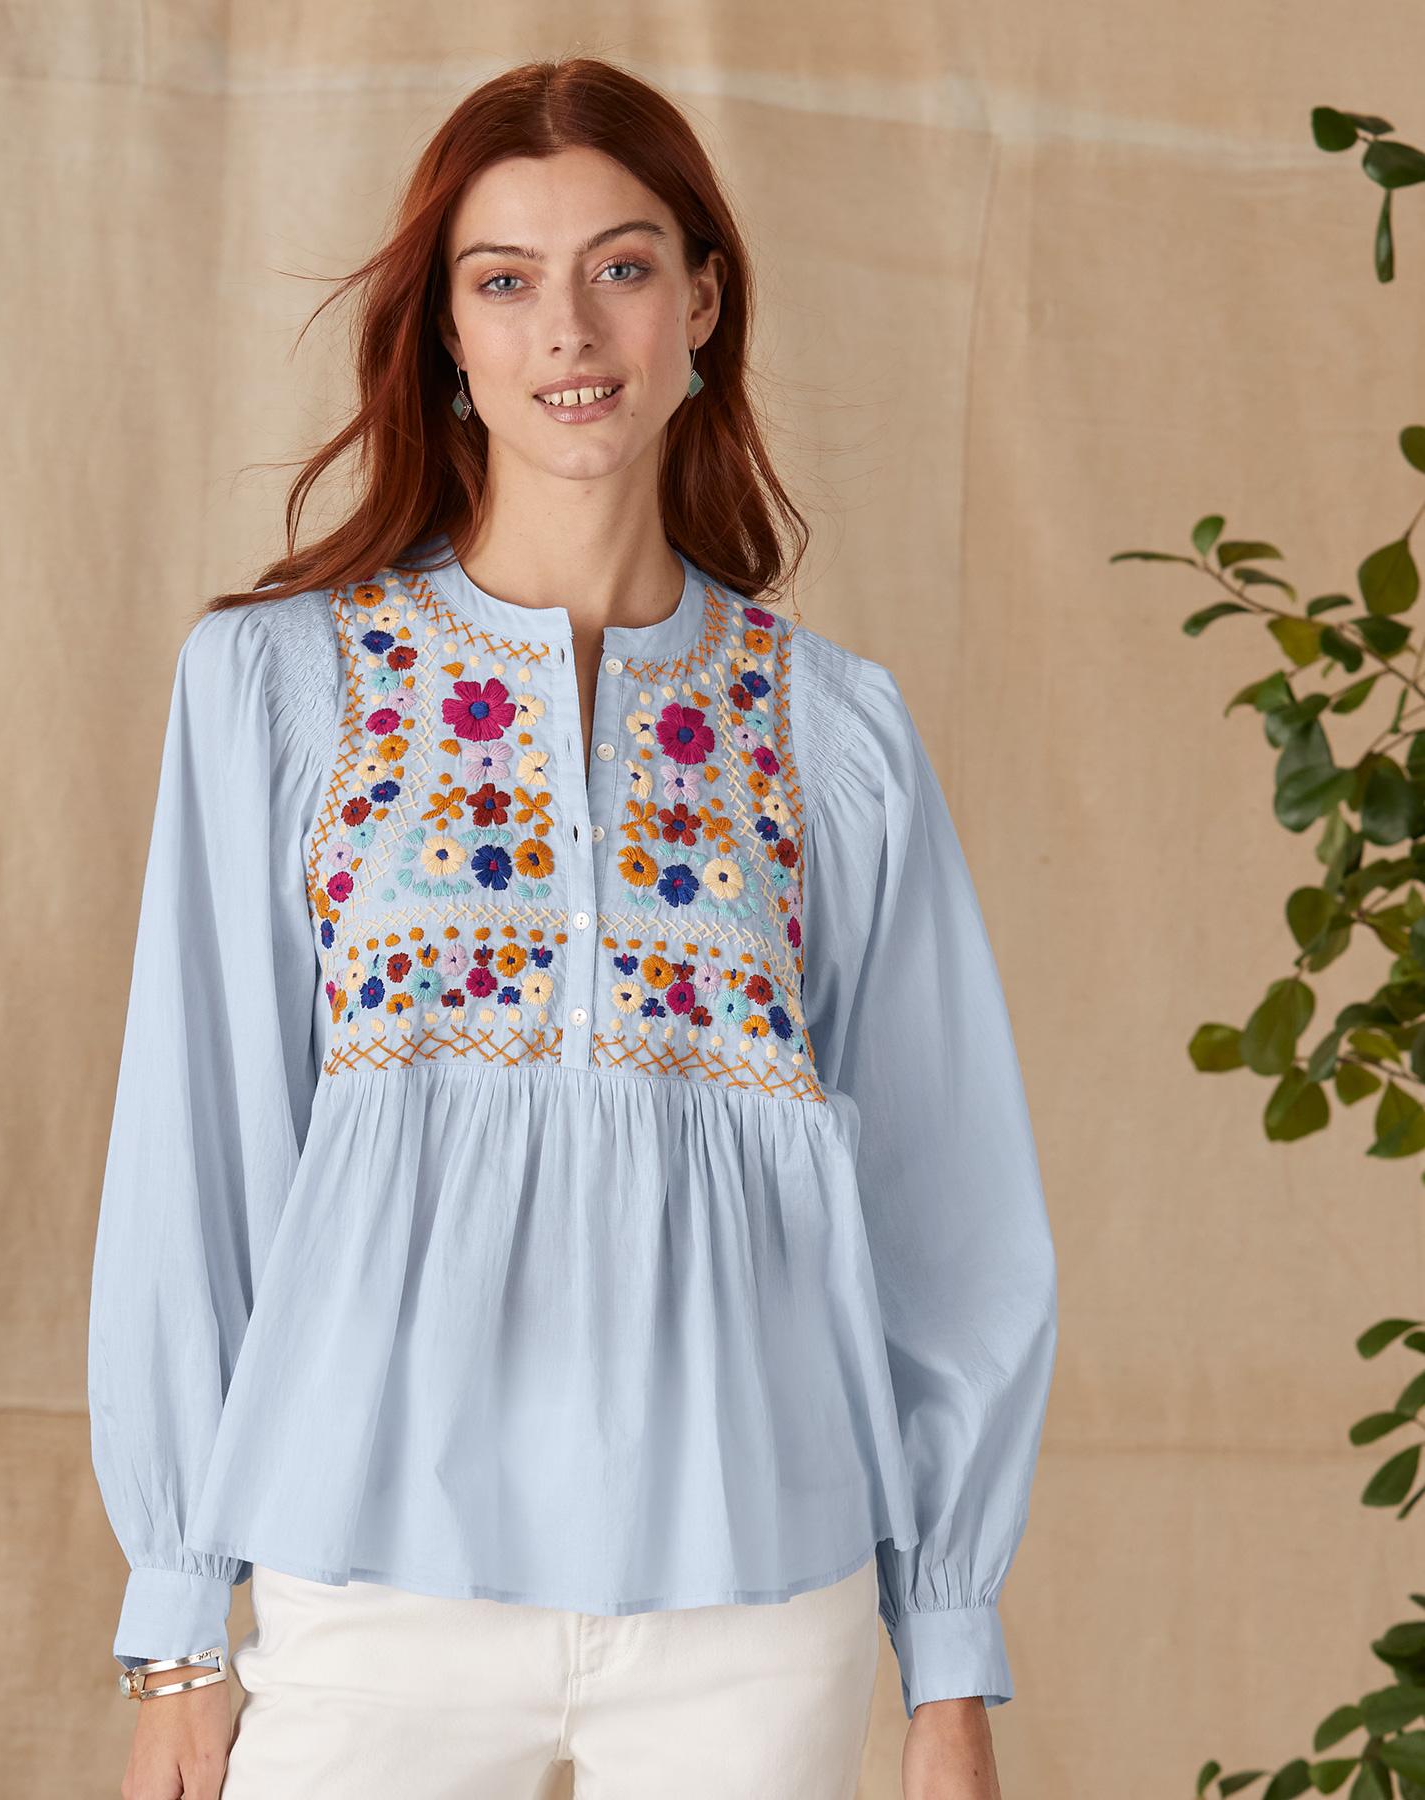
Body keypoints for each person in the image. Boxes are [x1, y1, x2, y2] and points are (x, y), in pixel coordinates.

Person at [87, 54, 1057, 1800]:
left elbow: (946, 1210)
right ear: (448, 337)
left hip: (758, 1584)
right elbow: (200, 1151)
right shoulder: (280, 688)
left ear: (703, 304)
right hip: (373, 1563)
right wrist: (177, 1624)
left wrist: (949, 1659)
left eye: (621, 266)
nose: (570, 331)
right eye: (505, 280)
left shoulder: (832, 733)